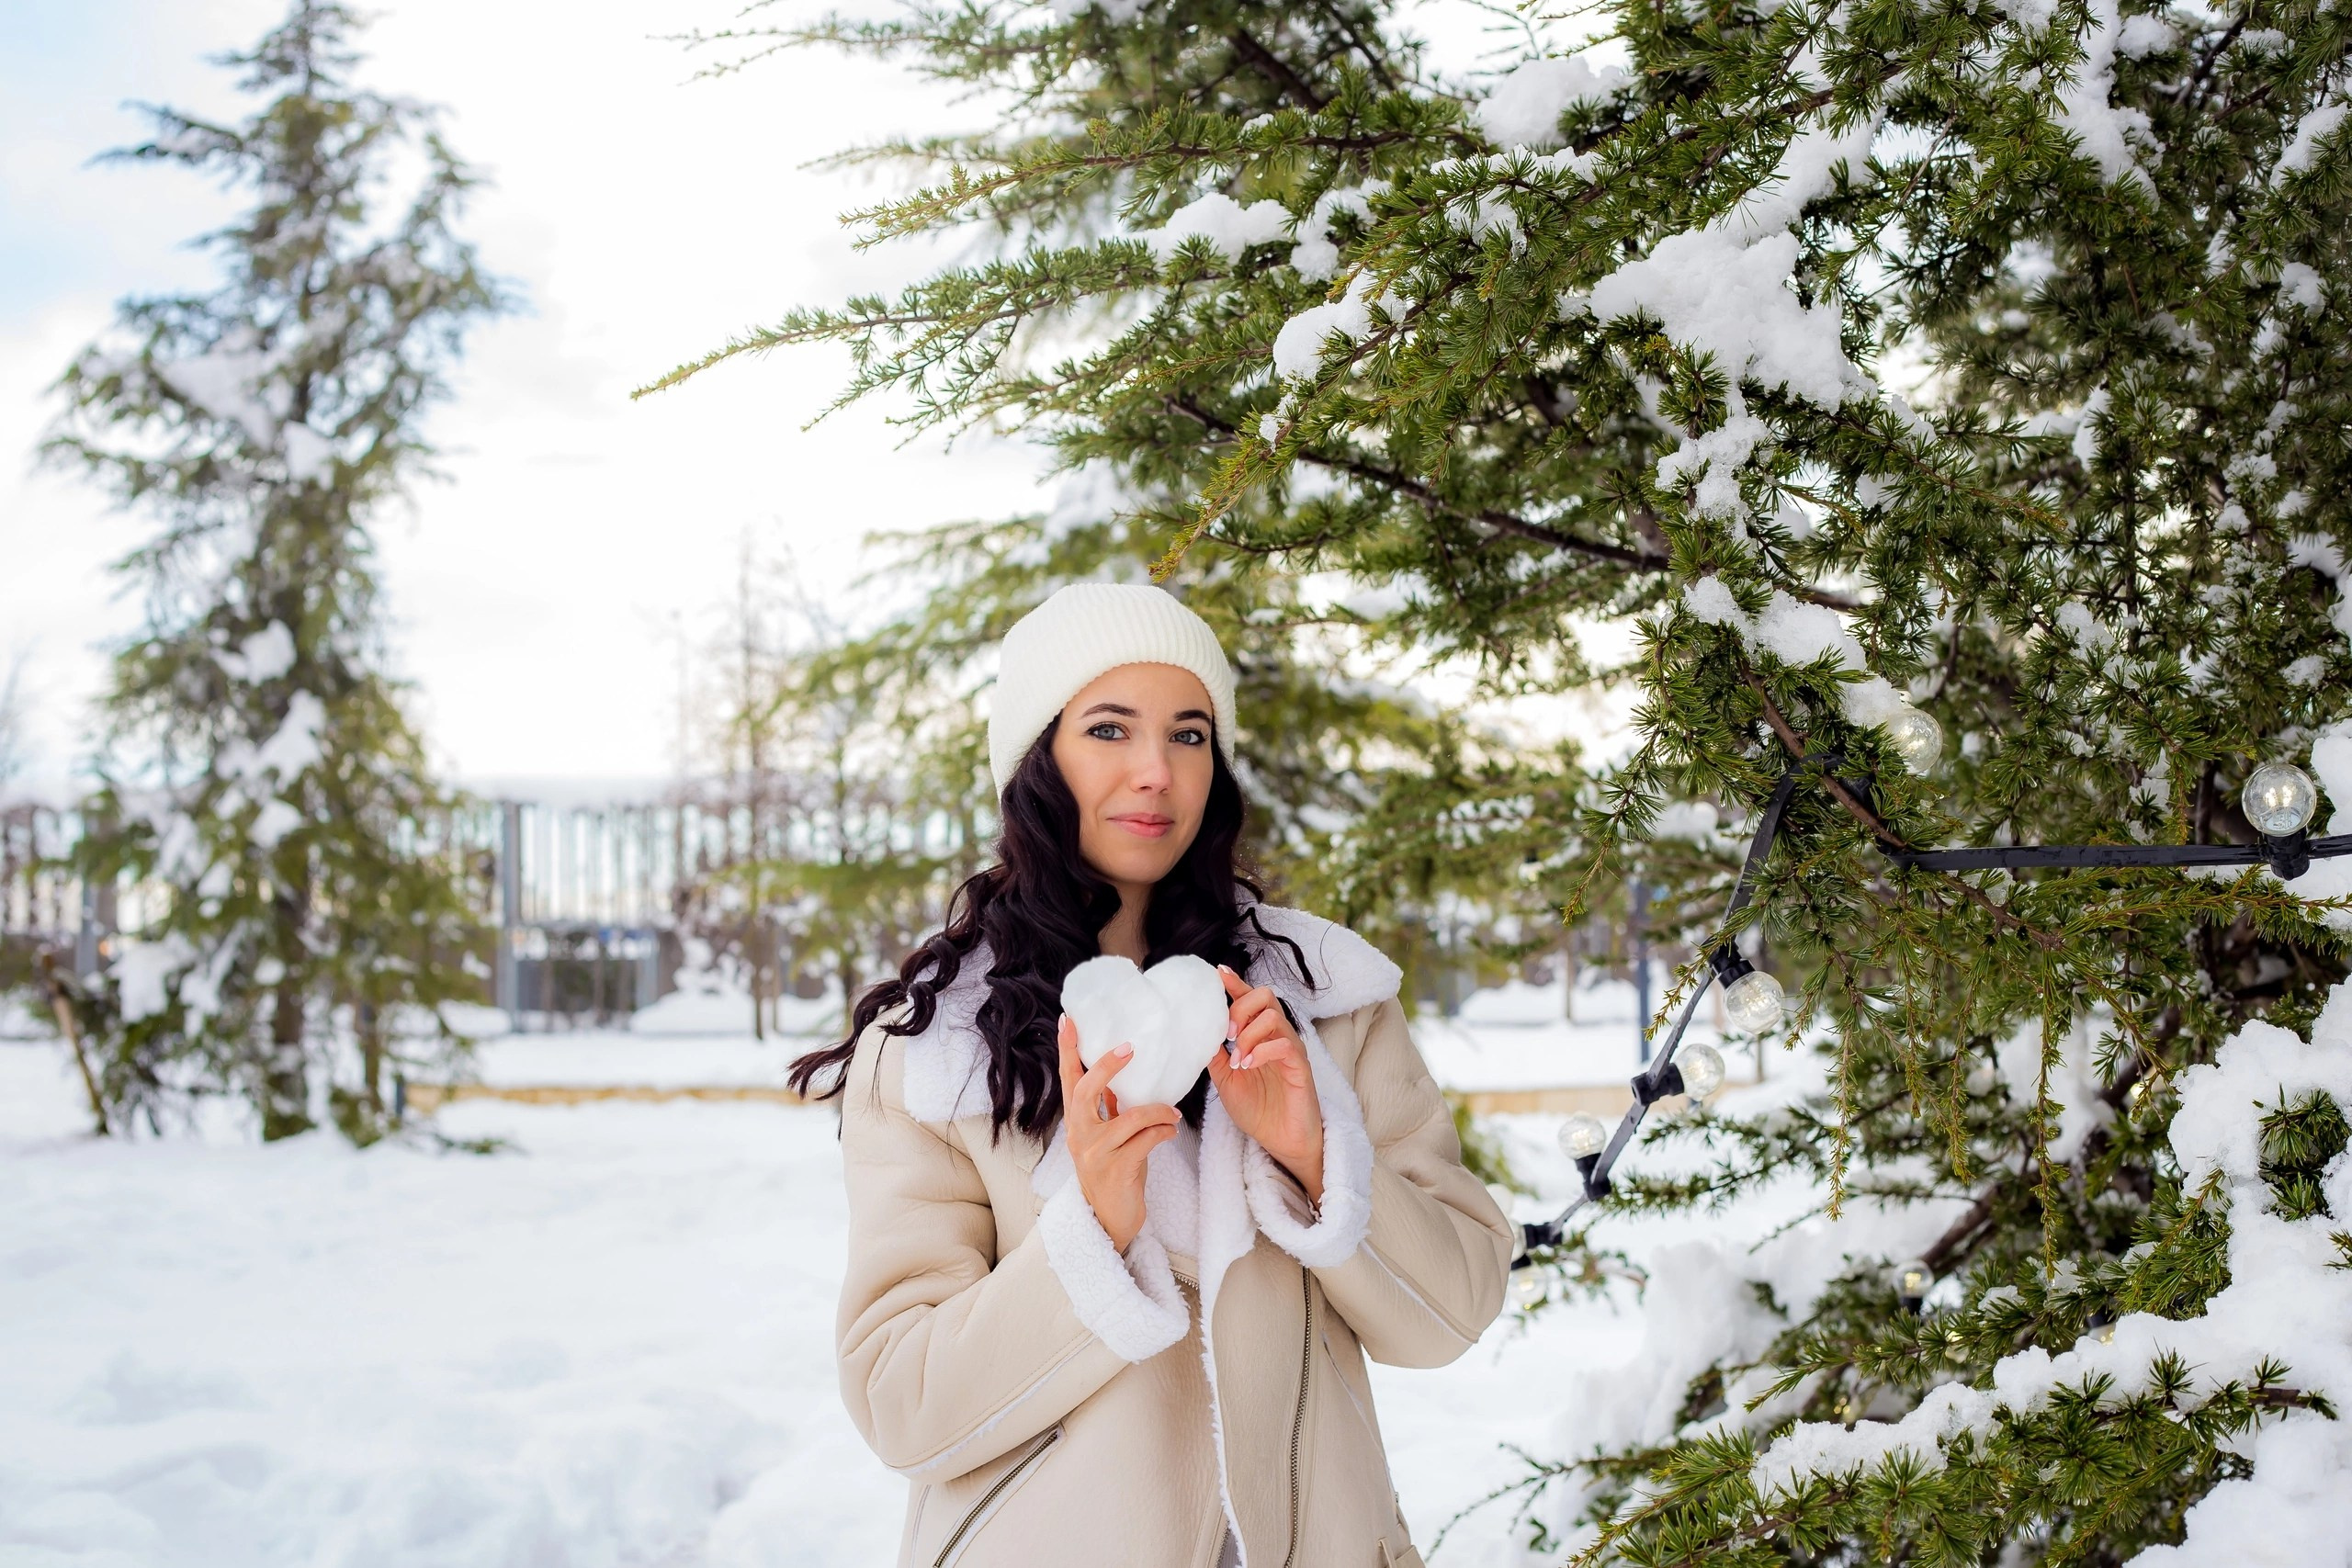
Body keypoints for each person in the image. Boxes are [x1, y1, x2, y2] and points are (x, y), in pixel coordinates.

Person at [786, 581, 1514, 1568]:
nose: (1155, 773)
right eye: (1108, 729)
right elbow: (903, 1404)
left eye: (1188, 734)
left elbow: (1450, 1317)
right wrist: (1092, 1227)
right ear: (1037, 757)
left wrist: (1313, 1154)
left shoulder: (1323, 999)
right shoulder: (935, 1047)